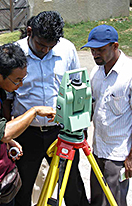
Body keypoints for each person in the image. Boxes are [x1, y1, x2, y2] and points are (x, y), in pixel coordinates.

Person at [10, 11, 90, 206]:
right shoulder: (14, 53)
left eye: (50, 46)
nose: (45, 50)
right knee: (24, 185)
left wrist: (80, 127)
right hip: (26, 134)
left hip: (61, 132)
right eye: (40, 45)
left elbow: (76, 88)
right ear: (29, 32)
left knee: (71, 183)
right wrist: (9, 136)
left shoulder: (67, 49)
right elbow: (6, 98)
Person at [0, 43, 56, 206]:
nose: (21, 85)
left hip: (3, 171)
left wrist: (10, 142)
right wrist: (34, 111)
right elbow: (4, 132)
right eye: (17, 80)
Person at [81, 25, 132, 206]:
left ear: (115, 46)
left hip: (119, 155)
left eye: (100, 50)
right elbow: (93, 105)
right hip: (97, 150)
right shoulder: (96, 72)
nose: (95, 54)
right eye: (92, 50)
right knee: (97, 199)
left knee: (114, 201)